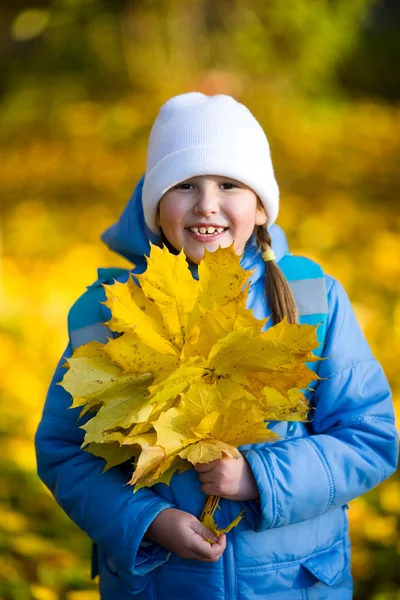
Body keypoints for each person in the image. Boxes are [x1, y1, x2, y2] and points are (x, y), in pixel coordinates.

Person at [35, 93, 398, 600]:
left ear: (261, 206)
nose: (207, 203)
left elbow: (369, 437)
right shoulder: (112, 314)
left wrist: (261, 478)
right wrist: (148, 521)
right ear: (156, 207)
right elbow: (64, 451)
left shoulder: (311, 299)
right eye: (184, 185)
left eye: (229, 184)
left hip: (294, 585)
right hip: (161, 583)